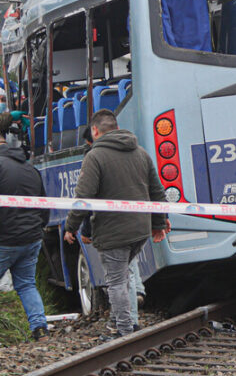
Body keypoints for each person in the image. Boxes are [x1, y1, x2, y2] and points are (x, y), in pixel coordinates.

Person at [63, 110, 168, 339]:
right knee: (122, 275)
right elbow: (157, 191)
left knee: (117, 280)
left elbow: (84, 197)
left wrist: (71, 227)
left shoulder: (95, 157)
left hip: (113, 230)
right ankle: (118, 323)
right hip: (140, 229)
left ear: (95, 131)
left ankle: (123, 330)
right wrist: (158, 223)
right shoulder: (140, 153)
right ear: (116, 127)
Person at [0, 125, 50, 340]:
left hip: (5, 239)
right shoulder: (31, 169)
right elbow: (44, 206)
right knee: (26, 284)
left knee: (25, 283)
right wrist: (38, 229)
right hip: (31, 237)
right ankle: (39, 327)